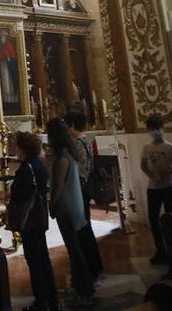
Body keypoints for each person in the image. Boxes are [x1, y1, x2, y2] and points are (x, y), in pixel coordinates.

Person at [45, 117, 96, 307]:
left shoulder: (62, 158)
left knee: (74, 250)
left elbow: (57, 186)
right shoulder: (68, 153)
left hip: (66, 208)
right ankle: (78, 286)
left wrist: (51, 205)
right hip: (73, 205)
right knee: (74, 248)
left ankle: (85, 289)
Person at [11, 130, 61, 311]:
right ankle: (51, 295)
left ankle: (41, 300)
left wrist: (8, 194)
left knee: (34, 258)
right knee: (43, 256)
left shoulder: (26, 168)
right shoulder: (40, 164)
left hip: (30, 219)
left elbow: (21, 194)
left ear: (22, 148)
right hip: (39, 217)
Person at [64, 111, 104, 283]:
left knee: (81, 228)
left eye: (67, 125)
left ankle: (88, 268)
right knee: (86, 227)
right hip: (86, 185)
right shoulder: (87, 139)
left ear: (72, 125)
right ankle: (95, 265)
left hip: (78, 187)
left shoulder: (74, 143)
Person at [141, 113, 172, 265]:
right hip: (153, 188)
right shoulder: (147, 148)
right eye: (151, 129)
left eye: (157, 128)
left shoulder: (170, 147)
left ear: (162, 129)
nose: (154, 131)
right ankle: (160, 250)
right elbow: (143, 164)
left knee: (170, 218)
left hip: (168, 186)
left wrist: (164, 173)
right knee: (153, 220)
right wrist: (151, 174)